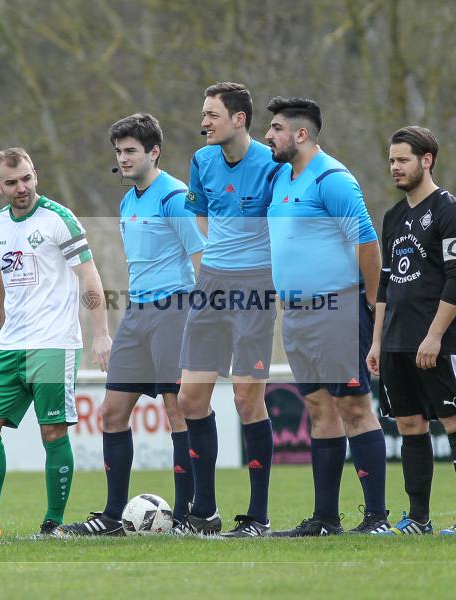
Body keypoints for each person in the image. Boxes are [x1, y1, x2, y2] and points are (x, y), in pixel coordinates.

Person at [0, 148, 111, 538]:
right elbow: (6, 283)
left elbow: (90, 278)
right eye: (12, 182)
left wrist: (101, 333)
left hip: (53, 343)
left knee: (53, 432)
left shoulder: (59, 219)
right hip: (9, 345)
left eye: (26, 178)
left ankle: (52, 524)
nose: (22, 188)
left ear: (35, 175)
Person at [57, 114, 204, 536]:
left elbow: (200, 261)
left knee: (176, 412)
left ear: (153, 152)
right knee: (112, 412)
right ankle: (111, 515)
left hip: (175, 311)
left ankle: (184, 515)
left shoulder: (176, 196)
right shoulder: (127, 202)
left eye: (130, 151)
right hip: (137, 315)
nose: (122, 158)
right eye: (118, 152)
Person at [262, 97, 389, 537]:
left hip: (337, 308)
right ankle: (325, 519)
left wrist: (374, 306)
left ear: (301, 134)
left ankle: (376, 518)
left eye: (276, 128)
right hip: (295, 314)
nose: (268, 135)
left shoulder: (333, 179)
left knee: (354, 406)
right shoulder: (280, 178)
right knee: (319, 408)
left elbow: (367, 243)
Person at [174, 82, 281, 537]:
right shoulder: (201, 161)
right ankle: (206, 512)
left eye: (213, 115)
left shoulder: (272, 166)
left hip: (256, 287)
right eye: (204, 114)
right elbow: (199, 213)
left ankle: (258, 517)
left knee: (244, 398)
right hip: (212, 285)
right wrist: (210, 261)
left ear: (239, 119)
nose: (204, 123)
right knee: (190, 398)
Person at [366, 126, 456, 536]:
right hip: (396, 342)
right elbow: (385, 283)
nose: (394, 167)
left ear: (426, 160)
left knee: (455, 422)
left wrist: (434, 335)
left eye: (402, 159)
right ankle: (418, 518)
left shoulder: (451, 211)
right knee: (410, 427)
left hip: (437, 341)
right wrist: (377, 340)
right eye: (391, 160)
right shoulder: (393, 216)